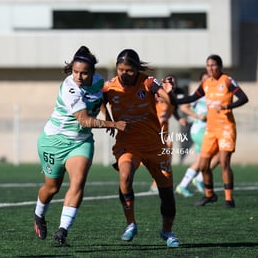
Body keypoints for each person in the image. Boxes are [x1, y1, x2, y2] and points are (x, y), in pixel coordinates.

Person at [33, 46, 128, 246]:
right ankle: (39, 215)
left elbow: (100, 96)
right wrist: (113, 124)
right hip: (54, 141)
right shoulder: (70, 88)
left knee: (78, 182)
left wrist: (106, 112)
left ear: (92, 72)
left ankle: (62, 230)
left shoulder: (99, 80)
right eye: (75, 71)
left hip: (80, 142)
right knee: (52, 188)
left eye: (84, 72)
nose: (78, 76)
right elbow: (84, 120)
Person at [103, 49, 180, 247]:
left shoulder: (147, 82)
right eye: (120, 69)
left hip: (154, 145)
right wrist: (108, 117)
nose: (124, 73)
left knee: (167, 194)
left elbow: (164, 95)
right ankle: (131, 224)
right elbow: (100, 99)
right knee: (125, 175)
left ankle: (167, 231)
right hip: (127, 143)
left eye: (129, 70)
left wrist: (169, 93)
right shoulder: (110, 86)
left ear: (137, 70)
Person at [178, 55, 249, 208]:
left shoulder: (227, 80)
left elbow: (243, 98)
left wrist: (226, 107)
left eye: (213, 65)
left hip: (226, 128)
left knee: (224, 163)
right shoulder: (206, 83)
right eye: (208, 65)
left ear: (220, 66)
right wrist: (173, 100)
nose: (210, 68)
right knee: (203, 166)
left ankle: (229, 200)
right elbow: (191, 98)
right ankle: (210, 195)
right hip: (210, 129)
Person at [175, 73, 219, 197]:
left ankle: (183, 185)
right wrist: (198, 116)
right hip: (200, 131)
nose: (208, 82)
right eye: (205, 80)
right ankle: (199, 178)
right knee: (220, 153)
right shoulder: (199, 94)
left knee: (200, 160)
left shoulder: (214, 94)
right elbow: (184, 107)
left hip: (207, 131)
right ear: (201, 81)